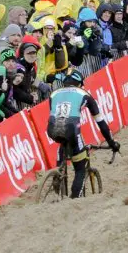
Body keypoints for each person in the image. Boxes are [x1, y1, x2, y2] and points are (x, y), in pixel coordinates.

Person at [47, 69, 120, 198]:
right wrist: (111, 143)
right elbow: (101, 124)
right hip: (71, 128)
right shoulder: (84, 94)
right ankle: (75, 199)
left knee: (63, 141)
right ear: (80, 83)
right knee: (80, 168)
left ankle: (58, 174)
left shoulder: (54, 94)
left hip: (52, 128)